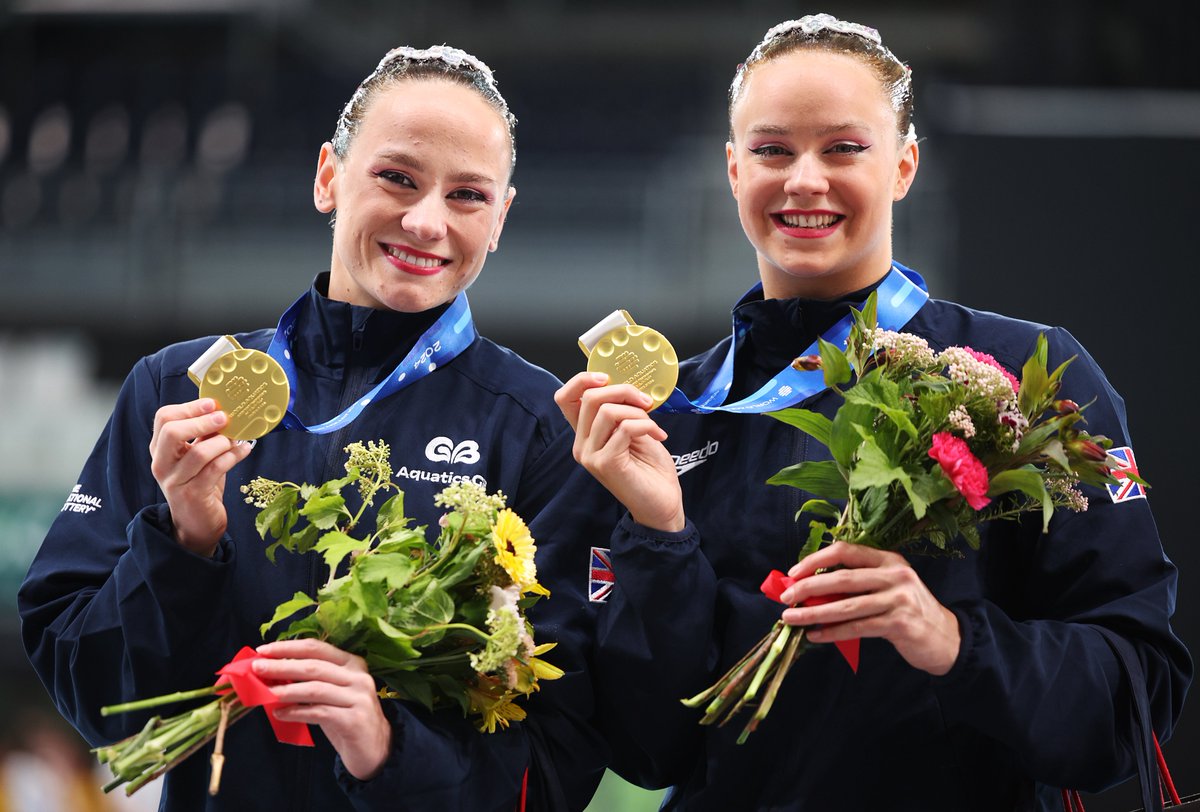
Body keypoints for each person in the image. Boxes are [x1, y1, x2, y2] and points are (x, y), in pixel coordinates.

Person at [551, 14, 1191, 810]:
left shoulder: (1028, 380)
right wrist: (658, 538)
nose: (805, 180)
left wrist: (953, 642)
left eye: (844, 148)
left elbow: (1136, 691)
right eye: (772, 149)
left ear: (903, 165)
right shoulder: (667, 420)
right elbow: (650, 750)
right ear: (732, 169)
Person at [19, 44, 605, 811]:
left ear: (500, 218)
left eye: (467, 195)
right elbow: (97, 702)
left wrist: (387, 746)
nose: (426, 221)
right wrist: (182, 543)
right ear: (330, 176)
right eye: (397, 178)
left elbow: (560, 761)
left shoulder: (537, 427)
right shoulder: (176, 393)